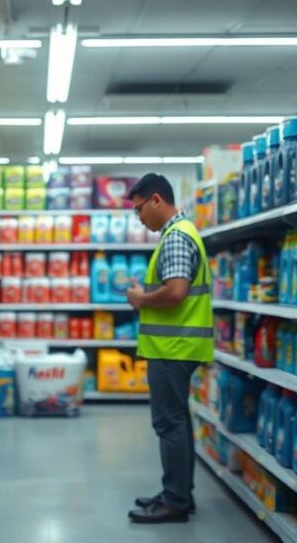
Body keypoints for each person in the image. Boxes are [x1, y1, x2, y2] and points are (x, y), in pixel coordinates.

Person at [125, 173, 213, 524]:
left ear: (157, 200)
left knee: (169, 423)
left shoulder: (176, 237)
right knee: (177, 421)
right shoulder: (181, 233)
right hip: (177, 345)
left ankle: (175, 500)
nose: (139, 217)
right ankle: (179, 493)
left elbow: (176, 291)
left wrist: (139, 299)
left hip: (173, 347)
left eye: (139, 209)